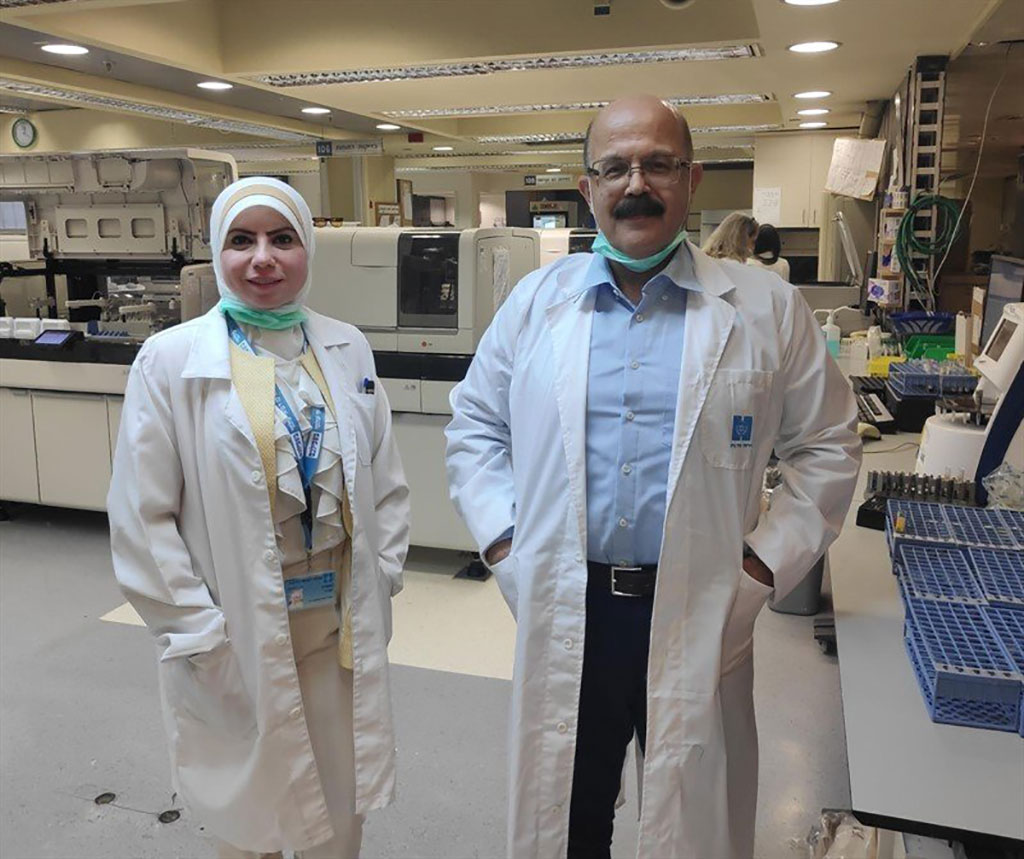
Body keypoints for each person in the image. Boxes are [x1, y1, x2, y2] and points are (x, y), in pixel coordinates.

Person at [445, 96, 861, 859]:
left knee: (693, 819)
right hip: (573, 608)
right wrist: (506, 545)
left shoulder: (767, 308)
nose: (636, 183)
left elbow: (830, 444)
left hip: (704, 601)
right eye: (615, 167)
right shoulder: (536, 304)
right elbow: (474, 426)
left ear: (692, 178)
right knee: (568, 812)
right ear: (588, 187)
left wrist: (762, 567)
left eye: (658, 164)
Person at [108, 177, 410, 859]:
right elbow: (142, 518)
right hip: (235, 631)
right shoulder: (171, 360)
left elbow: (386, 482)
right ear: (218, 253)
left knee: (337, 818)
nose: (262, 258)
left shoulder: (346, 348)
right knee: (251, 826)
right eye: (242, 240)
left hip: (336, 627)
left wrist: (382, 575)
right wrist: (199, 634)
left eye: (283, 239)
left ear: (308, 250)